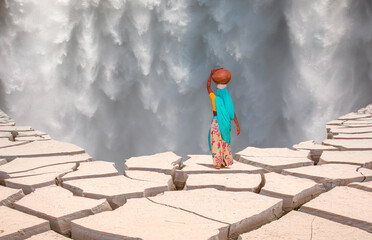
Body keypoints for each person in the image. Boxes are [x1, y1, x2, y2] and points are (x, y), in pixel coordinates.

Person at [207, 68, 240, 169]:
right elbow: (232, 113)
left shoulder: (214, 98)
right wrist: (237, 125)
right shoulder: (227, 102)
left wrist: (211, 74)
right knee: (224, 142)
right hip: (225, 124)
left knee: (216, 142)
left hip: (216, 123)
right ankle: (225, 161)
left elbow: (208, 87)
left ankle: (218, 163)